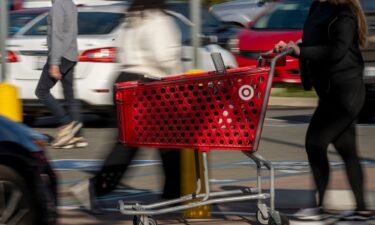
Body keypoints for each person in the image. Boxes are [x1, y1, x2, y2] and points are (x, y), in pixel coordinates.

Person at [71, 0, 182, 212]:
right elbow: (165, 57)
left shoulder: (131, 19)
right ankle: (174, 194)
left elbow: (120, 52)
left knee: (131, 143)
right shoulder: (160, 20)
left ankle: (173, 193)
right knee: (168, 141)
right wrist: (177, 70)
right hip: (150, 84)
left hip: (125, 80)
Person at [275, 0, 373, 221]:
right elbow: (314, 40)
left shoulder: (344, 12)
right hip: (331, 92)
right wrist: (294, 46)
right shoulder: (318, 6)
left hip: (344, 93)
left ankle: (319, 209)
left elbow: (336, 50)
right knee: (348, 150)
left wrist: (300, 51)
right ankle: (362, 209)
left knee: (315, 143)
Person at [35, 0, 87, 149]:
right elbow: (70, 32)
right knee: (70, 97)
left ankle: (66, 126)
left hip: (60, 56)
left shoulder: (58, 5)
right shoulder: (70, 3)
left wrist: (54, 63)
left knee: (42, 91)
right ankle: (78, 136)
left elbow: (57, 35)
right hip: (70, 55)